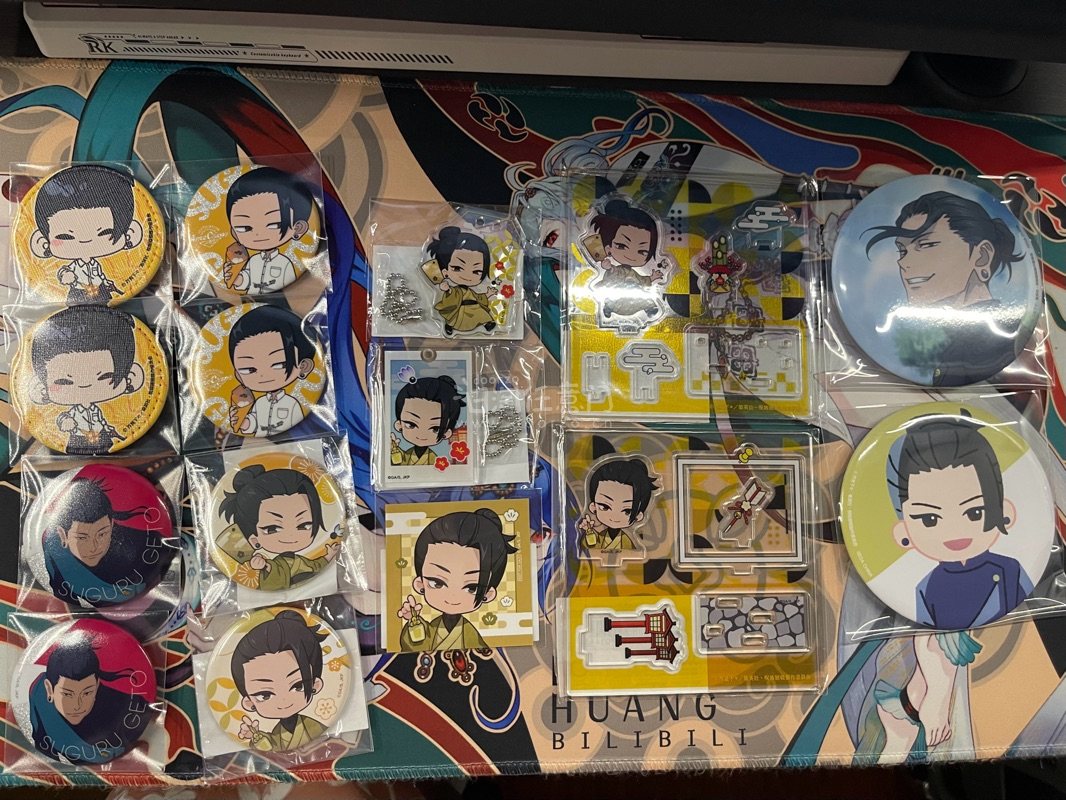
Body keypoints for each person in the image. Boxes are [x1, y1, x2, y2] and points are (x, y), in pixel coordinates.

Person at [864, 191, 1026, 386]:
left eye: (926, 244)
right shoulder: (954, 342)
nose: (903, 262)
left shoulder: (999, 342)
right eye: (902, 250)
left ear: (982, 256)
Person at [889, 413, 1029, 630]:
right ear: (903, 532)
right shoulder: (925, 588)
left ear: (1005, 512)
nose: (954, 530)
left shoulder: (1011, 569)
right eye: (929, 519)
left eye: (975, 512)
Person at [397, 508, 518, 651]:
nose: (453, 596)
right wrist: (413, 622)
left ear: (488, 594)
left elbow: (486, 656)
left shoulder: (470, 634)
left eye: (472, 587)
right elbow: (417, 648)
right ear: (420, 584)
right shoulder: (432, 628)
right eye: (437, 583)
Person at [29, 306, 145, 453]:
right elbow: (63, 418)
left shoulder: (96, 411)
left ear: (131, 376)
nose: (85, 385)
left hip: (103, 436)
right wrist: (65, 422)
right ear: (41, 388)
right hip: (77, 438)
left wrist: (111, 430)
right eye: (64, 381)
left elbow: (102, 421)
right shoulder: (73, 413)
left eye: (104, 376)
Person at [44, 476, 165, 607]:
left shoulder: (147, 543)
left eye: (102, 534)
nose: (94, 547)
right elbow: (64, 601)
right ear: (63, 535)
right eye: (82, 538)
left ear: (112, 525)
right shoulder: (53, 551)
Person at [217, 465, 340, 591]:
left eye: (303, 525)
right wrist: (262, 565)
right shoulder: (276, 564)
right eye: (272, 529)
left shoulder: (300, 560)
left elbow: (315, 565)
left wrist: (329, 555)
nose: (290, 535)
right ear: (254, 540)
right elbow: (272, 571)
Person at [28, 165, 137, 304]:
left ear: (129, 233)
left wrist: (106, 282)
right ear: (42, 242)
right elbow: (64, 272)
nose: (86, 240)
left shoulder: (95, 265)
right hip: (78, 292)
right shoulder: (74, 266)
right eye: (66, 236)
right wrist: (66, 276)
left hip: (101, 290)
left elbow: (100, 274)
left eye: (104, 233)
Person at [29, 635, 146, 764]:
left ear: (97, 686)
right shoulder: (38, 699)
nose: (77, 705)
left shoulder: (125, 707)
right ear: (49, 689)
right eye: (67, 694)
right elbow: (43, 748)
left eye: (87, 693)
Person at [231, 610, 329, 751]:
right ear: (249, 702)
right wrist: (256, 737)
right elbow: (272, 746)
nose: (283, 700)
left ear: (315, 685)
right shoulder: (278, 732)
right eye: (265, 695)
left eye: (298, 686)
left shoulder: (315, 727)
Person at [227, 305, 317, 436]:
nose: (263, 375)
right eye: (249, 369)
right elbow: (253, 424)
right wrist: (242, 421)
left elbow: (299, 424)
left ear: (304, 366)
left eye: (279, 364)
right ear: (239, 376)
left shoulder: (292, 403)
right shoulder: (259, 403)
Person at [225, 167, 313, 294]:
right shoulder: (253, 261)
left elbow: (289, 285)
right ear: (234, 233)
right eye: (245, 228)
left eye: (274, 224)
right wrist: (235, 278)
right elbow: (246, 280)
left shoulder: (284, 263)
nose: (258, 234)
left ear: (298, 228)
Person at [586, 198, 667, 320]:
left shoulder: (633, 273)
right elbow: (612, 273)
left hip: (633, 302)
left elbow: (641, 280)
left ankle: (649, 307)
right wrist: (608, 267)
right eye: (621, 246)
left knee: (645, 298)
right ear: (608, 247)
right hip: (616, 299)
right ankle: (608, 307)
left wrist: (652, 277)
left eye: (642, 251)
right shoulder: (617, 270)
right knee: (610, 299)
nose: (631, 255)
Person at [578, 457, 660, 552]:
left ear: (639, 515)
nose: (614, 516)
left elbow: (631, 554)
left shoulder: (626, 541)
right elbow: (590, 548)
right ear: (593, 507)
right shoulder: (602, 535)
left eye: (627, 511)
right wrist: (589, 531)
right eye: (605, 507)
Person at [426, 226, 497, 335]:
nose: (467, 275)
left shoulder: (470, 291)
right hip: (460, 309)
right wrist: (447, 289)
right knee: (455, 318)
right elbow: (451, 297)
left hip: (474, 308)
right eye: (457, 268)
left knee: (481, 314)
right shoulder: (456, 290)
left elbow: (478, 297)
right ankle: (449, 325)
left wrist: (488, 294)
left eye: (476, 271)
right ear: (445, 271)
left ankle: (487, 323)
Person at [390, 374, 466, 467]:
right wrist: (394, 449)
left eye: (435, 429)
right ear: (399, 424)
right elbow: (399, 462)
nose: (422, 434)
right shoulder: (408, 454)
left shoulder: (434, 459)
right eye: (411, 425)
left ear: (447, 433)